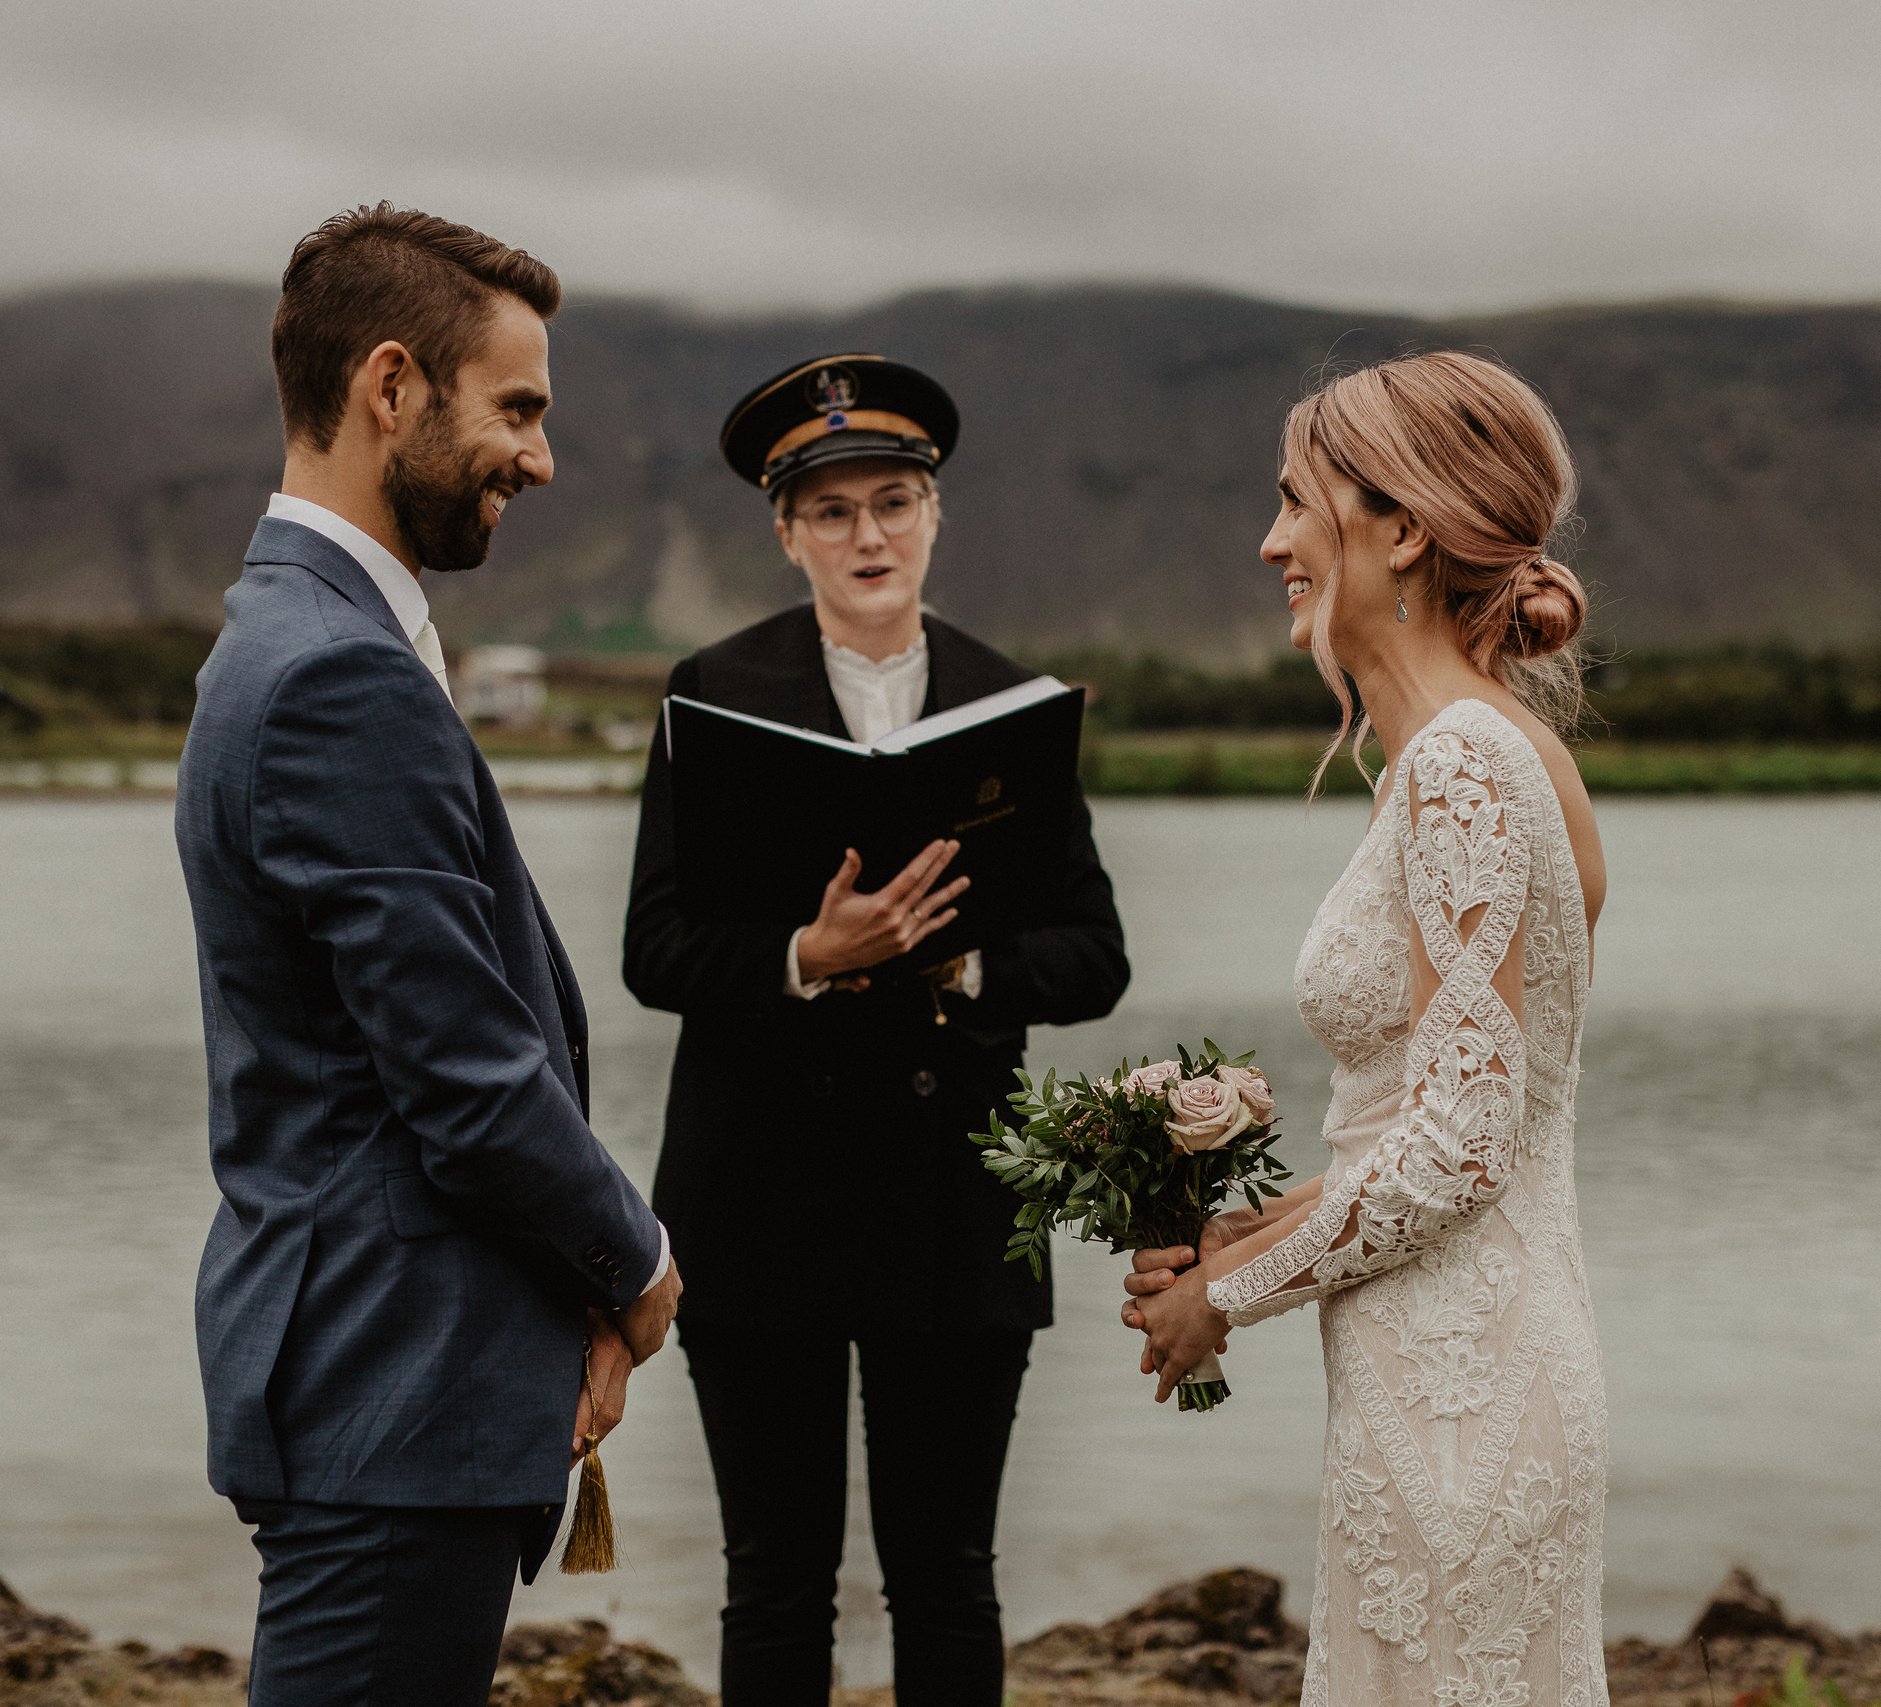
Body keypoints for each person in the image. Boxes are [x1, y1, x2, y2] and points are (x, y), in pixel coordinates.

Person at [173, 204, 683, 1707]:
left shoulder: (292, 632)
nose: (537, 456)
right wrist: (639, 1269)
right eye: (515, 408)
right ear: (392, 387)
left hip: (373, 1375)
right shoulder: (336, 672)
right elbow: (461, 1075)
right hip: (392, 1381)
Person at [623, 354, 1130, 1707]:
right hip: (755, 1205)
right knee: (776, 1579)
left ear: (935, 514)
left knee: (947, 1575)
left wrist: (956, 963)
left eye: (894, 501)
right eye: (834, 510)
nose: (868, 535)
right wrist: (808, 954)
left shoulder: (1013, 705)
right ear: (785, 531)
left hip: (955, 1205)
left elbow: (1094, 957)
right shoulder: (709, 696)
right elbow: (654, 951)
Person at [1121, 351, 1611, 1707]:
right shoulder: (1480, 753)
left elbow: (1459, 1147)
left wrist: (1222, 1299)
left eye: (1298, 501)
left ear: (1400, 528)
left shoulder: (1461, 763)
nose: (1272, 539)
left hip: (1463, 1390)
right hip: (1462, 1360)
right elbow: (1440, 1119)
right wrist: (1244, 1235)